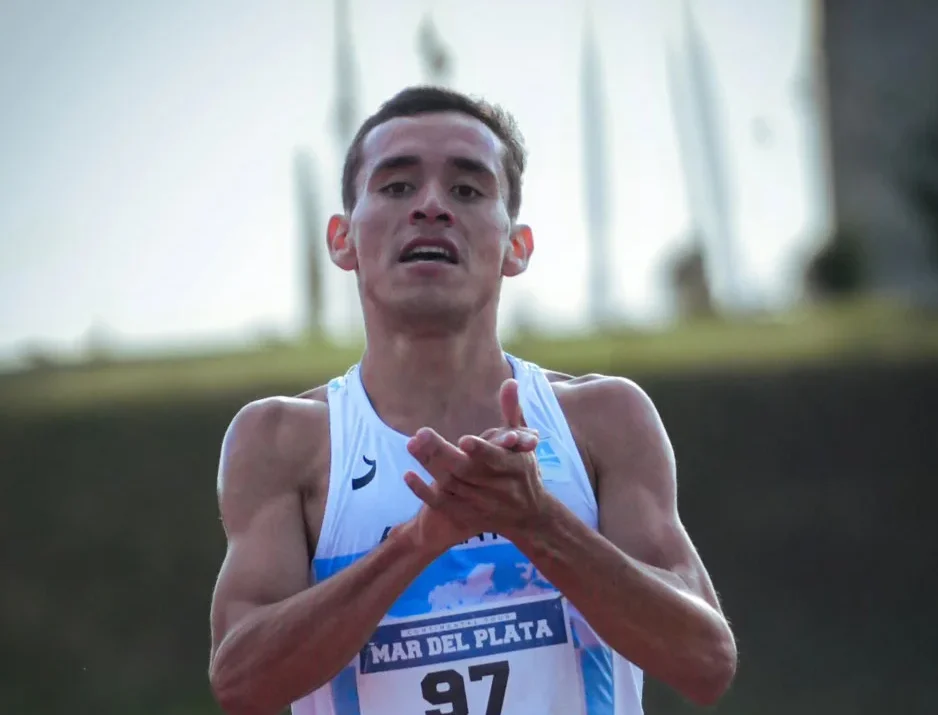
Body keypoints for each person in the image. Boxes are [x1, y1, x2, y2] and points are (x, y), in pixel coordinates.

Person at [207, 85, 737, 715]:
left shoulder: (603, 419)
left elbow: (705, 662)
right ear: (342, 238)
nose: (431, 206)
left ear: (517, 246)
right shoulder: (282, 440)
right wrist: (418, 542)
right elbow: (241, 683)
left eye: (466, 189)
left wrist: (538, 522)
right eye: (397, 186)